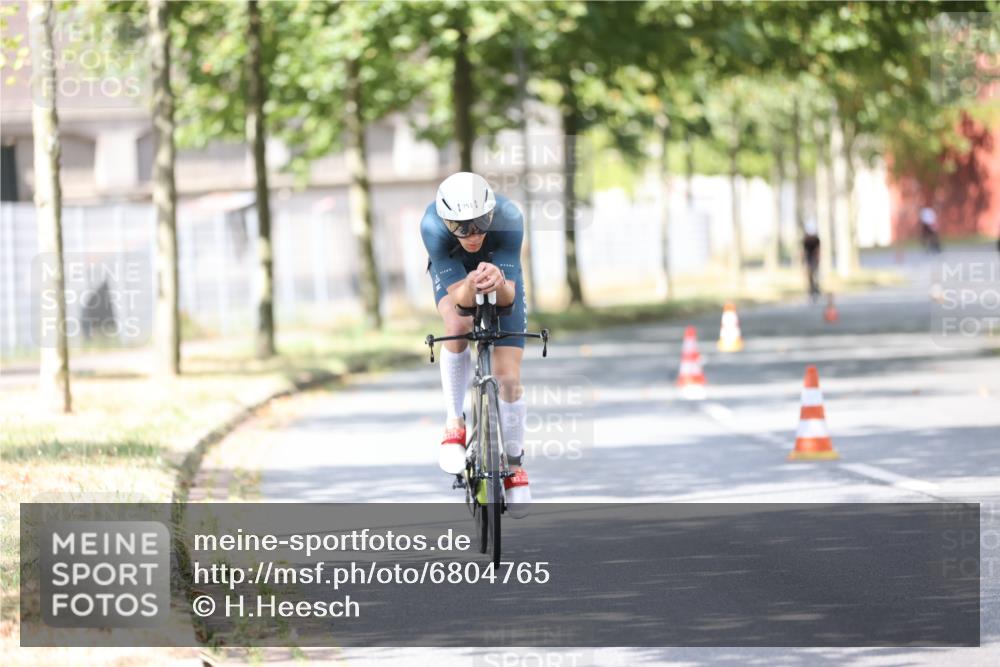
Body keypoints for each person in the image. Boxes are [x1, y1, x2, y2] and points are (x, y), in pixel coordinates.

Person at [420, 172, 530, 517]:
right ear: (445, 220)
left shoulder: (510, 217)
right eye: (461, 226)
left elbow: (507, 297)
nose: (473, 235)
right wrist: (471, 283)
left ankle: (514, 462)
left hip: (501, 274)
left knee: (508, 379)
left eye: (481, 223)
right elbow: (460, 302)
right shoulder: (432, 226)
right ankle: (454, 422)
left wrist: (497, 281)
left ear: (492, 213)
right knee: (457, 323)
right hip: (456, 281)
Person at [802, 220, 821, 302]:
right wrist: (803, 261)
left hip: (814, 258)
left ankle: (816, 290)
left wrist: (817, 260)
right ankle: (810, 291)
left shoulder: (816, 239)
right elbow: (804, 251)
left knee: (815, 275)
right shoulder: (805, 239)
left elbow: (818, 250)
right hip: (808, 258)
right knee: (809, 275)